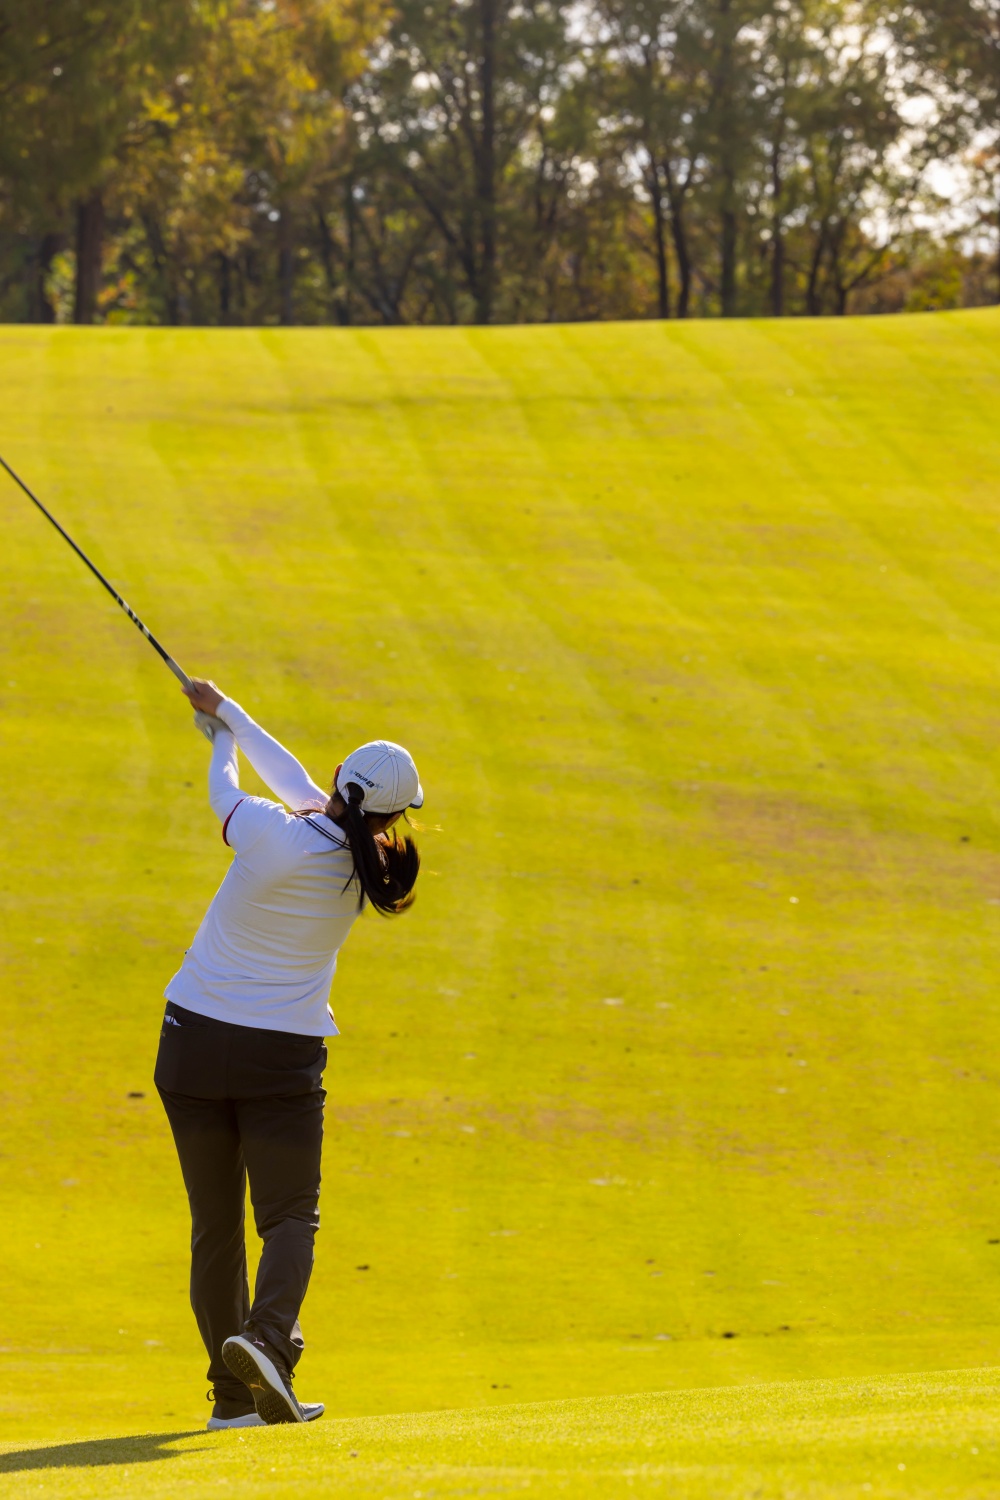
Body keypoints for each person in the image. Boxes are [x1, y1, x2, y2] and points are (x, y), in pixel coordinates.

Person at [154, 678, 422, 1429]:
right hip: (279, 1060)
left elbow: (233, 790)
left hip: (190, 1045)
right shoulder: (372, 866)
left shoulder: (270, 829)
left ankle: (234, 1398)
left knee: (216, 1229)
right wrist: (226, 714)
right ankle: (268, 1341)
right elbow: (298, 786)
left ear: (339, 779)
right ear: (395, 818)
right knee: (289, 1217)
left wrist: (220, 738)